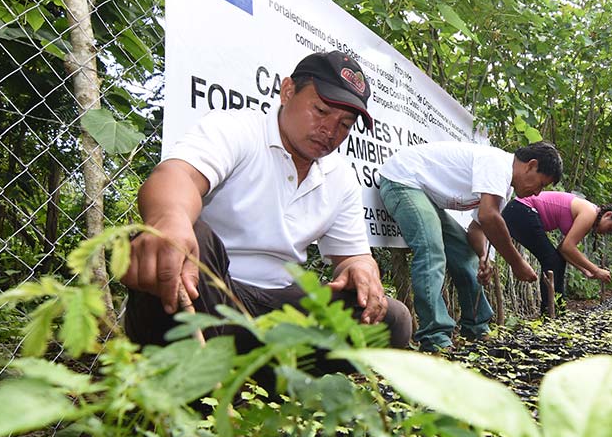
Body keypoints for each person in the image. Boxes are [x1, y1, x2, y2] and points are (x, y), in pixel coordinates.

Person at [121, 51, 413, 380]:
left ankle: (269, 380)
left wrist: (362, 270)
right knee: (186, 238)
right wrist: (170, 221)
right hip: (212, 295)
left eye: (344, 125)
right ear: (287, 91)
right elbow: (178, 176)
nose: (330, 130)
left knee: (392, 319)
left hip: (281, 311)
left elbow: (352, 257)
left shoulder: (340, 176)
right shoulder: (237, 129)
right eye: (320, 110)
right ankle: (189, 393)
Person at [378, 140, 562, 352]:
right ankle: (435, 336)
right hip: (402, 180)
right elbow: (489, 216)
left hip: (424, 195)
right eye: (541, 184)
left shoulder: (503, 185)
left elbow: (477, 228)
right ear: (530, 165)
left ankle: (476, 327)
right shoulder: (497, 163)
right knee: (432, 250)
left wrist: (484, 256)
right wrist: (517, 263)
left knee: (465, 255)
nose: (538, 193)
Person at [501, 191, 612, 314]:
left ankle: (557, 311)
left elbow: (563, 250)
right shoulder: (590, 213)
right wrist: (596, 270)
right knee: (551, 260)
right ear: (608, 215)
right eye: (609, 228)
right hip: (521, 210)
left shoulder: (589, 216)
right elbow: (568, 247)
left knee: (557, 260)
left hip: (519, 211)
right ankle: (551, 313)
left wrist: (585, 270)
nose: (604, 233)